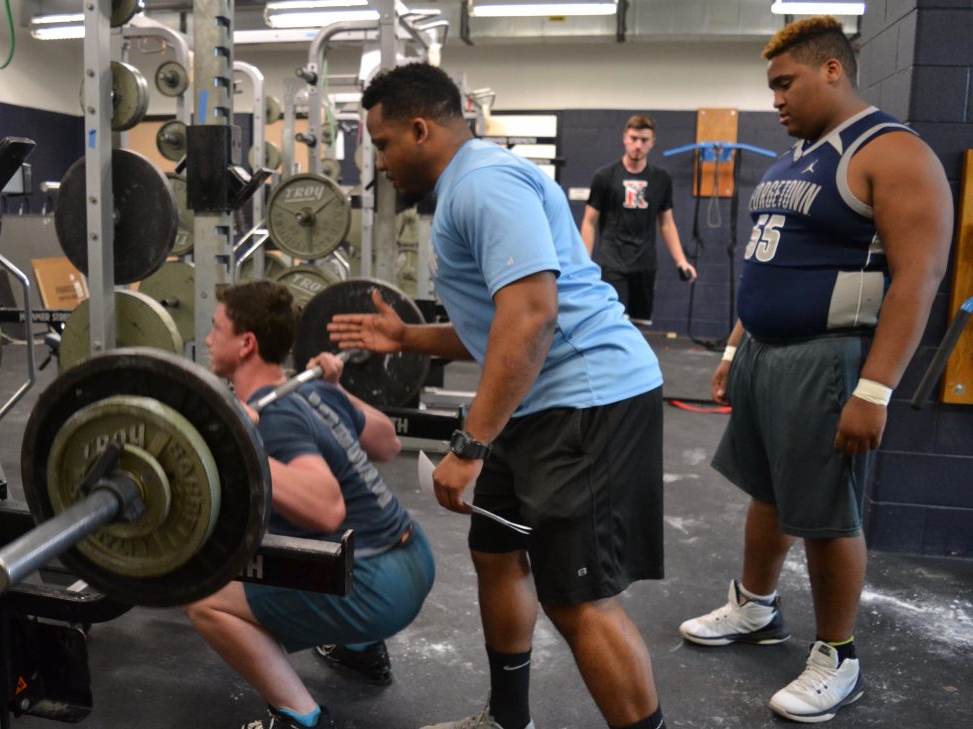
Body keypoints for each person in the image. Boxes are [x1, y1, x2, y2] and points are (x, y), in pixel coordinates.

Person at [329, 63, 668, 729]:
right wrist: (407, 336)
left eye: (383, 144)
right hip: (533, 402)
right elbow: (497, 326)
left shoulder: (482, 183)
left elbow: (532, 316)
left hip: (586, 399)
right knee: (495, 552)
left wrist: (469, 445)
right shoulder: (466, 185)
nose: (380, 163)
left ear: (420, 129)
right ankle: (508, 719)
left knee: (577, 597)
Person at [677, 15, 953, 724]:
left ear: (832, 70)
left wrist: (874, 389)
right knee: (768, 491)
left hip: (829, 361)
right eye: (771, 87)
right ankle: (755, 607)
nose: (775, 100)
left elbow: (918, 279)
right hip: (764, 356)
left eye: (785, 83)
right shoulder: (793, 159)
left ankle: (839, 656)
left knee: (829, 514)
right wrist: (734, 350)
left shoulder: (891, 152)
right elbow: (765, 263)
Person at [185, 280, 436, 729]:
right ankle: (359, 650)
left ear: (246, 343)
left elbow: (326, 509)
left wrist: (241, 444)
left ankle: (298, 717)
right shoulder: (313, 391)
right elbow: (389, 442)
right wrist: (338, 387)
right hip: (414, 557)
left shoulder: (272, 416)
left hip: (374, 584)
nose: (207, 338)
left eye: (216, 328)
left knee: (206, 599)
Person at [580, 114, 697, 326]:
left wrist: (681, 261)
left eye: (644, 140)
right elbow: (589, 221)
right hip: (613, 262)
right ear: (625, 137)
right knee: (614, 322)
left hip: (645, 264)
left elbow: (667, 223)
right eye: (634, 138)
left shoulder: (661, 179)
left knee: (639, 323)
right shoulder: (604, 176)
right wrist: (584, 262)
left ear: (653, 142)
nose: (638, 145)